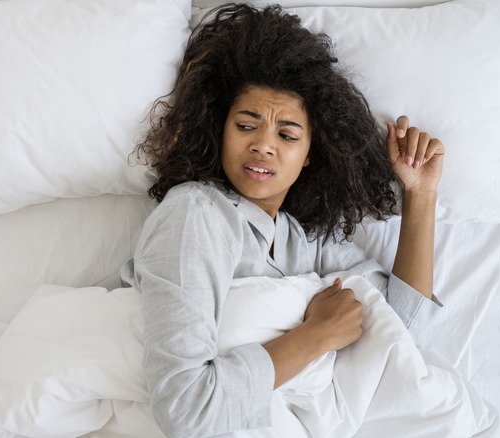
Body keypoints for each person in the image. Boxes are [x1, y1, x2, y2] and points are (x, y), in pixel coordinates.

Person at [120, 3, 444, 437]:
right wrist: (316, 336)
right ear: (219, 130)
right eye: (245, 125)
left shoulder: (305, 239)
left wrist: (420, 197)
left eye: (287, 134)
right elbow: (186, 410)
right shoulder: (194, 214)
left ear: (311, 153)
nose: (263, 146)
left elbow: (403, 334)